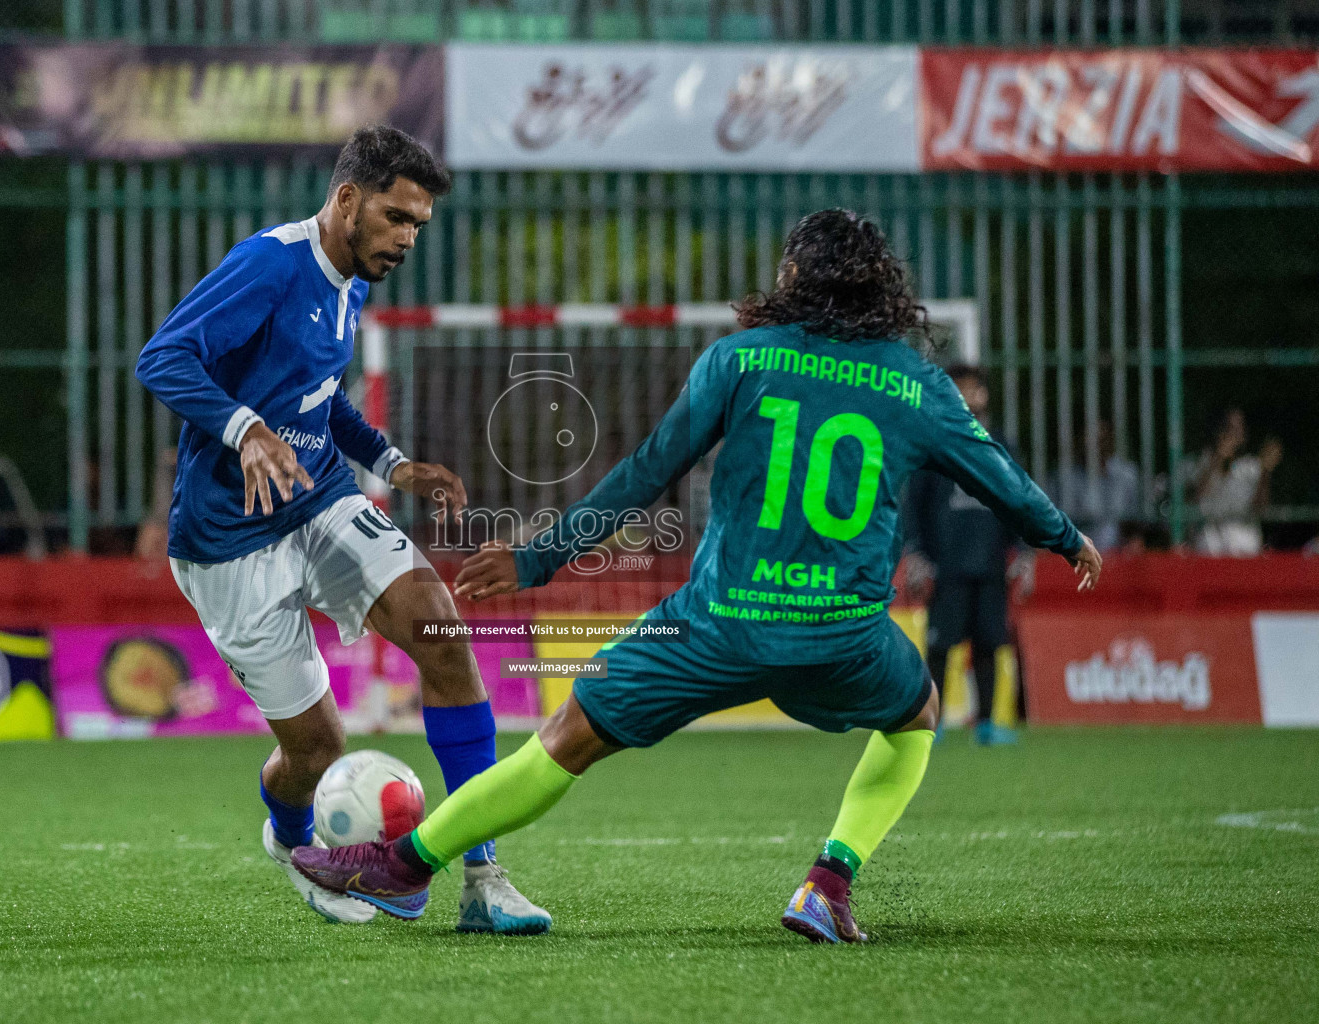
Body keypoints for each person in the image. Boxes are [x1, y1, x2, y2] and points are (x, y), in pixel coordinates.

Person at [291, 209, 1102, 941]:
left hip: (715, 627)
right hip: (840, 637)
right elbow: (999, 478)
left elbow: (648, 472)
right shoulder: (915, 381)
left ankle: (401, 868)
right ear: (882, 287)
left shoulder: (741, 359)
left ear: (795, 278)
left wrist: (538, 557)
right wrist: (1063, 536)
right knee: (917, 711)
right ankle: (829, 881)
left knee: (564, 741)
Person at [134, 126, 548, 933]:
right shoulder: (271, 264)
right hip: (229, 539)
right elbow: (164, 357)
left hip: (320, 500)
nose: (406, 239)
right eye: (396, 218)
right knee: (315, 751)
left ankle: (484, 878)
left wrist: (394, 465)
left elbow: (320, 397)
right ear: (347, 200)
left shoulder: (355, 278)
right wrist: (247, 431)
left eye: (418, 226)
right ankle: (292, 841)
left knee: (444, 635)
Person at [903, 365, 1031, 746]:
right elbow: (915, 505)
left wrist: (1022, 550)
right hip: (947, 565)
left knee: (990, 644)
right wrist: (917, 553)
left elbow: (1019, 500)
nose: (970, 397)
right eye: (962, 389)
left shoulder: (1000, 446)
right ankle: (934, 724)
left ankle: (988, 724)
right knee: (940, 647)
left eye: (976, 389)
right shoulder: (933, 445)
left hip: (991, 563)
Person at [1192, 408, 1280, 556]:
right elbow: (1195, 498)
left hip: (1244, 546)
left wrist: (1266, 472)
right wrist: (1218, 459)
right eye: (1229, 428)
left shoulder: (1253, 466)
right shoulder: (1203, 461)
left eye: (1239, 428)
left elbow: (1260, 508)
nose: (1234, 434)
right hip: (1210, 548)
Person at [1050, 420, 1141, 554]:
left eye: (1101, 440)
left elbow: (1135, 527)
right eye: (1089, 439)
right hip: (1077, 555)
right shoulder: (1064, 479)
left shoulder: (1126, 475)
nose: (1095, 445)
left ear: (1111, 441)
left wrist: (1134, 546)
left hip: (1119, 556)